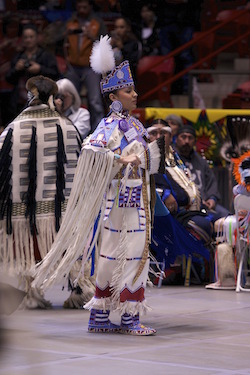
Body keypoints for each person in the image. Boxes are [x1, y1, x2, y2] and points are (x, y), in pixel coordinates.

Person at [32, 35, 165, 335]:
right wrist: (119, 160)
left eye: (133, 89)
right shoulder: (109, 126)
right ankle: (112, 317)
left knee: (130, 254)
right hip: (117, 204)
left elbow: (146, 159)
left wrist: (139, 158)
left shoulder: (135, 125)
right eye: (129, 91)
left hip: (135, 200)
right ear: (113, 97)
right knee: (115, 256)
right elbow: (91, 150)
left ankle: (116, 316)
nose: (135, 94)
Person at [0, 75, 82, 308]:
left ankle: (28, 292)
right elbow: (78, 166)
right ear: (52, 98)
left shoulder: (12, 129)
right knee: (70, 248)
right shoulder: (67, 127)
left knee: (25, 251)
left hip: (22, 209)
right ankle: (79, 289)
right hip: (60, 211)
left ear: (30, 97)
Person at [64, 0, 107, 131]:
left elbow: (106, 43)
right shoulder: (70, 22)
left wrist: (92, 36)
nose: (82, 9)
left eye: (85, 6)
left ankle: (98, 132)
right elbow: (56, 39)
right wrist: (66, 35)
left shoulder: (97, 23)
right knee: (68, 99)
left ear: (90, 7)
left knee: (95, 102)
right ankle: (69, 129)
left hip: (91, 67)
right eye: (79, 6)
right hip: (72, 66)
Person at [175, 125, 230, 221]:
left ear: (195, 142)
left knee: (229, 219)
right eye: (183, 137)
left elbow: (211, 182)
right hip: (185, 205)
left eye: (190, 138)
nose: (186, 141)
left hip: (206, 204)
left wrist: (212, 199)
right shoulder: (172, 159)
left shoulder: (201, 162)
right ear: (176, 139)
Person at [5, 23, 60, 121]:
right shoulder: (18, 56)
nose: (28, 40)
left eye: (31, 37)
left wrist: (40, 69)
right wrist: (16, 69)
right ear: (22, 39)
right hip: (19, 101)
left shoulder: (46, 55)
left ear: (37, 38)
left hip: (41, 100)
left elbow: (56, 74)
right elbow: (8, 79)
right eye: (25, 37)